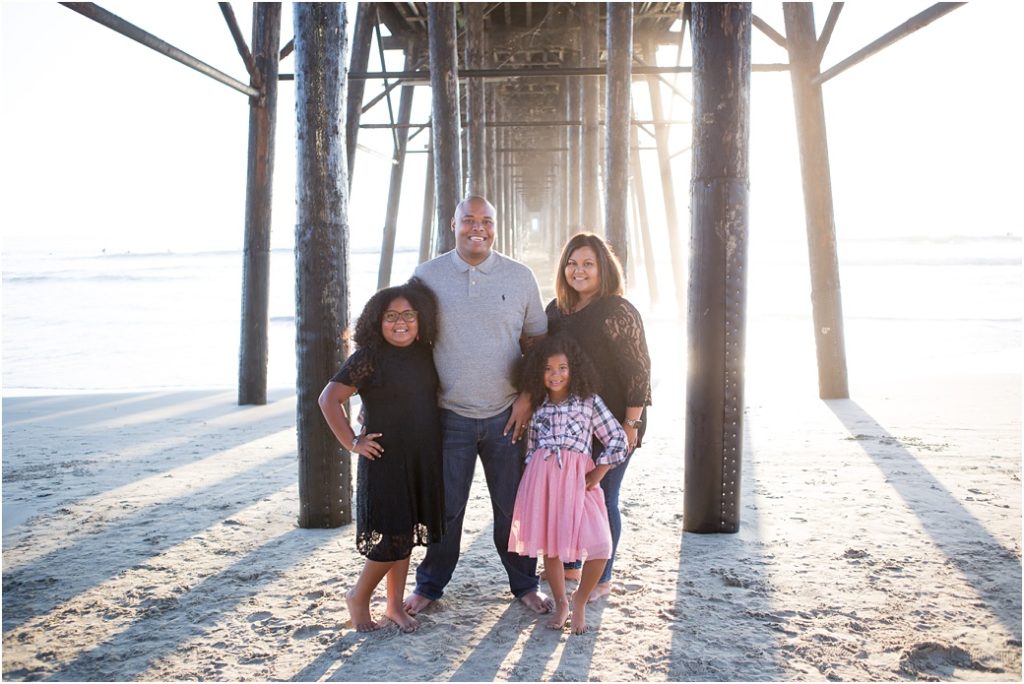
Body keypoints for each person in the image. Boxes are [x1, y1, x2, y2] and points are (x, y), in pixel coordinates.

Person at [402, 195, 552, 616]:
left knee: (512, 508)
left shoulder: (520, 277)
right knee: (446, 510)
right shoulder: (426, 276)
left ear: (496, 225)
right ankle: (430, 585)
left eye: (486, 220)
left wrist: (526, 398)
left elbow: (536, 346)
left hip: (508, 414)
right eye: (469, 220)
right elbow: (408, 343)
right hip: (449, 416)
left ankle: (524, 583)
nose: (478, 228)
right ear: (453, 223)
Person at [319, 280, 445, 633]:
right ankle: (359, 596)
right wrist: (351, 442)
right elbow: (328, 399)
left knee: (405, 535)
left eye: (408, 315)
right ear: (377, 321)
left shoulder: (426, 353)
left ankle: (393, 605)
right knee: (392, 537)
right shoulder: (368, 359)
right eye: (391, 316)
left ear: (420, 320)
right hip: (385, 459)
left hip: (421, 458)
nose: (400, 322)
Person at [545, 232, 652, 603]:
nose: (579, 270)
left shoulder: (617, 311)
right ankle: (573, 565)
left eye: (588, 263)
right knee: (570, 493)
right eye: (572, 263)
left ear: (603, 267)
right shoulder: (555, 311)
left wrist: (631, 425)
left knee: (602, 493)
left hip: (615, 422)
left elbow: (639, 371)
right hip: (571, 422)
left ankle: (602, 576)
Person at [508, 335, 628, 634]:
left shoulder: (589, 402)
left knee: (601, 545)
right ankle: (561, 602)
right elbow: (531, 448)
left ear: (574, 369)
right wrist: (531, 482)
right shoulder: (538, 406)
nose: (556, 374)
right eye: (548, 369)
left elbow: (617, 438)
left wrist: (598, 473)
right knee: (551, 548)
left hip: (580, 480)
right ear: (539, 373)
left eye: (562, 367)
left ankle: (581, 600)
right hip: (543, 479)